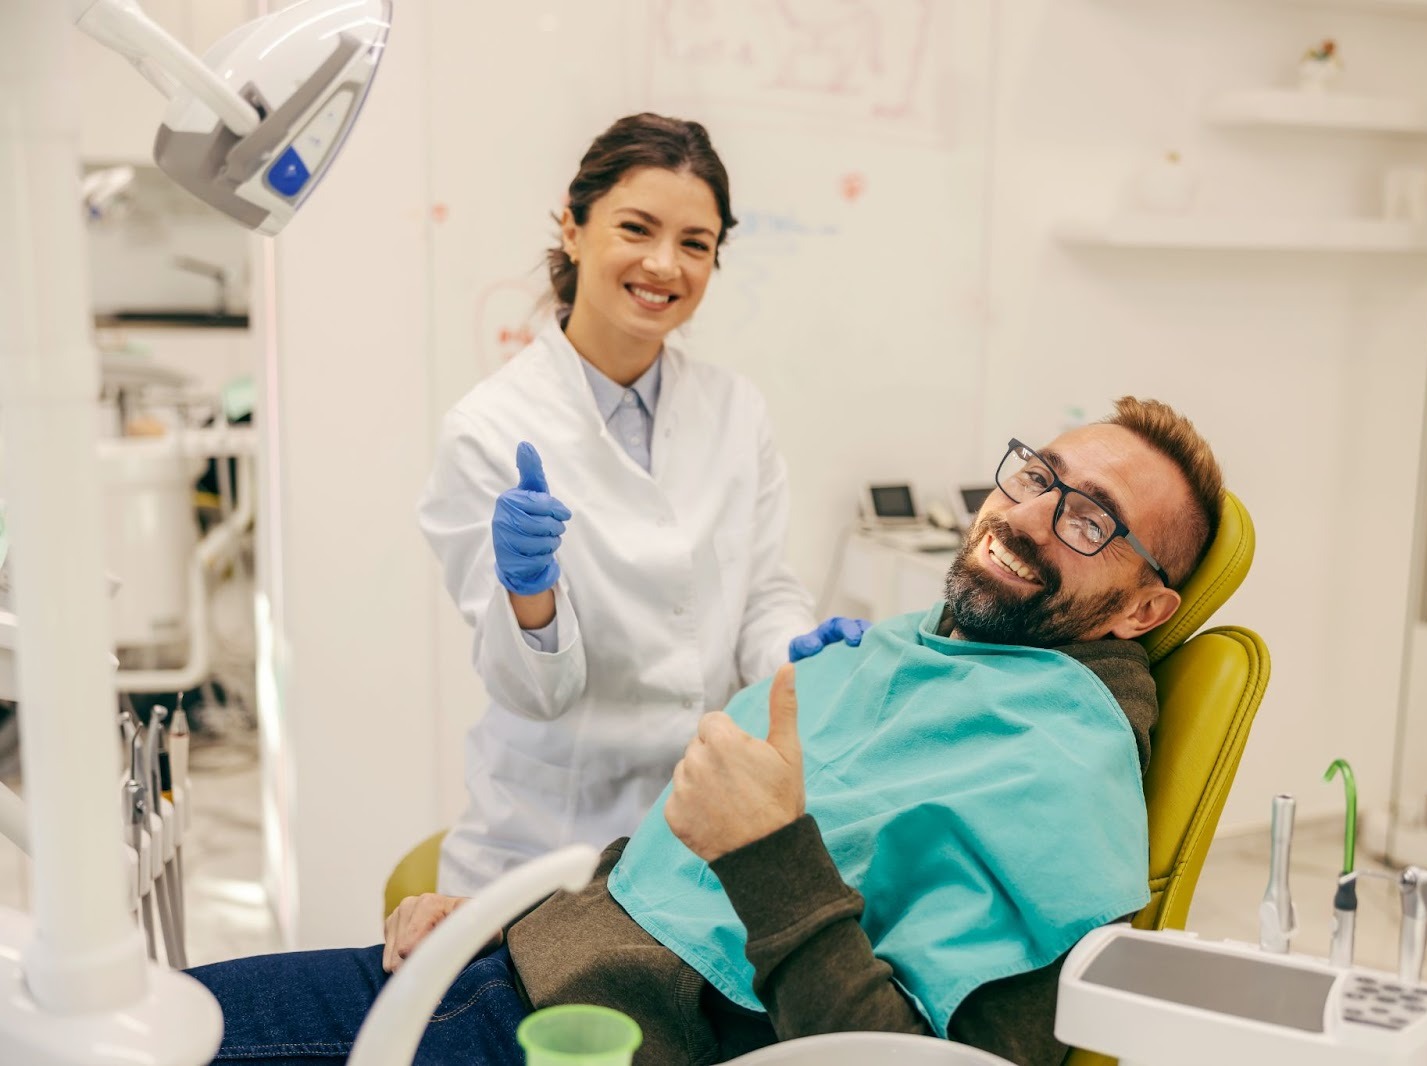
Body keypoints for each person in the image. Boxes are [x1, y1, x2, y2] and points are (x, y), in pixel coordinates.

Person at [194, 398, 1227, 1066]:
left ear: (1144, 608)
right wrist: (507, 917)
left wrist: (768, 847)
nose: (1031, 517)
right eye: (1036, 476)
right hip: (528, 964)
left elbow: (903, 1053)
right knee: (158, 1015)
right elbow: (684, 878)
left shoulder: (1055, 771)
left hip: (573, 1036)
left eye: (1091, 521)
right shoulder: (932, 652)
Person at [417, 113, 868, 895]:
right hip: (551, 844)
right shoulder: (487, 428)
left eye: (695, 243)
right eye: (637, 228)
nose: (664, 264)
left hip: (708, 830)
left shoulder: (736, 410)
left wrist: (796, 655)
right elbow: (536, 693)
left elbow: (762, 592)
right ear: (573, 227)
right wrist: (528, 594)